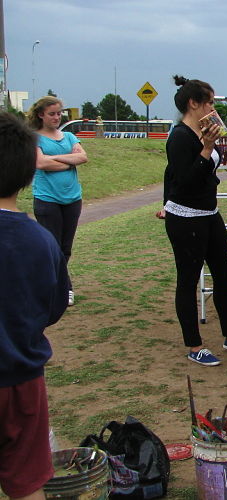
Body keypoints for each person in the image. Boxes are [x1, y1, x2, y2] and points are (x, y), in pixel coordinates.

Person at [157, 75, 227, 366]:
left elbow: (197, 174)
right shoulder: (180, 137)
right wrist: (205, 149)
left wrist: (214, 149)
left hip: (209, 214)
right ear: (194, 103)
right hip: (186, 217)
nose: (213, 107)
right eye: (210, 102)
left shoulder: (205, 133)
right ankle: (195, 345)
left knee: (224, 274)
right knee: (188, 280)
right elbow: (183, 181)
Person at [0, 112, 70, 500]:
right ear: (30, 172)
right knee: (28, 485)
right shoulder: (43, 241)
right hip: (24, 383)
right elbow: (54, 308)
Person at [27, 95, 88, 307]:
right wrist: (68, 161)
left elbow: (82, 157)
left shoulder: (69, 137)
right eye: (52, 114)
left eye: (59, 113)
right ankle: (64, 288)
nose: (56, 117)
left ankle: (54, 285)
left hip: (72, 199)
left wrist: (54, 159)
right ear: (41, 115)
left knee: (65, 248)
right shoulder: (34, 138)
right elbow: (40, 163)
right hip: (47, 199)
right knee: (52, 247)